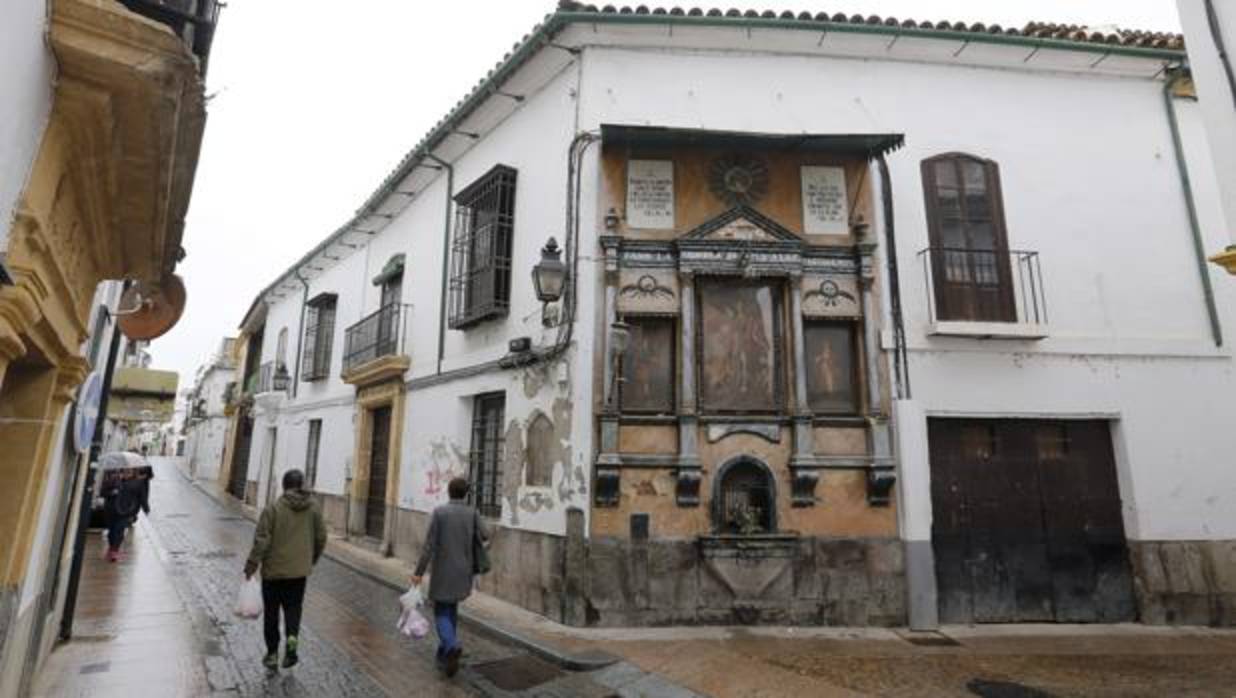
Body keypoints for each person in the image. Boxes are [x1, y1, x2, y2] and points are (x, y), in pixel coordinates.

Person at [244, 469, 326, 671]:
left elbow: (261, 541)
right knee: (293, 609)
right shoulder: (314, 509)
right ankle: (291, 644)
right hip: (298, 573)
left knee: (271, 614)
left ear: (284, 485)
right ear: (301, 485)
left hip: (273, 573)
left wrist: (251, 565)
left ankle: (272, 654)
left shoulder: (273, 509)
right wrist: (310, 560)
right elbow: (321, 538)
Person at [412, 477, 487, 678]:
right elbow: (486, 534)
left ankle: (452, 645)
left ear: (449, 492)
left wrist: (418, 572)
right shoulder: (473, 513)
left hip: (443, 570)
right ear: (465, 494)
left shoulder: (440, 512)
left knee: (440, 611)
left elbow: (429, 546)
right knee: (451, 607)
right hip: (464, 571)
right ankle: (444, 654)